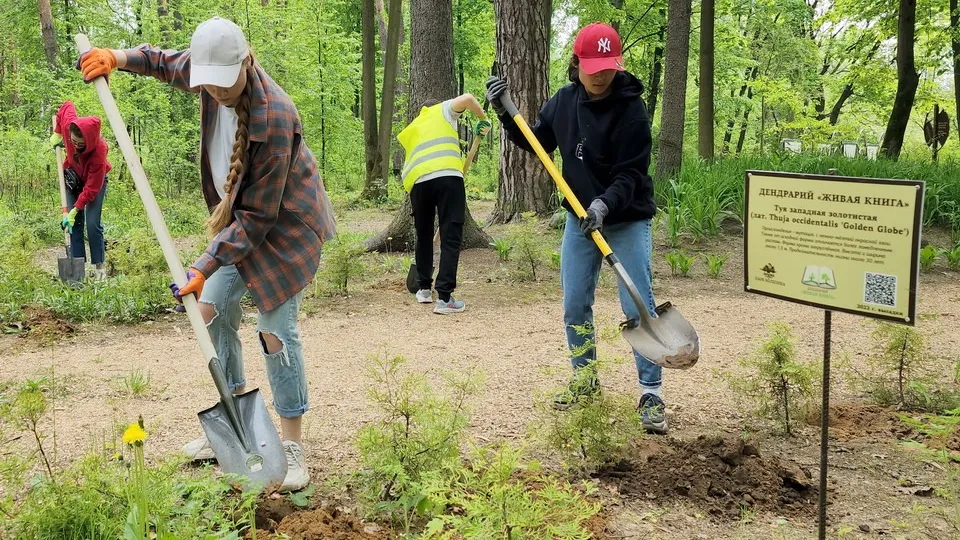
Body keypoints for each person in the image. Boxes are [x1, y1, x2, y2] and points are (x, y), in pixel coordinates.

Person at [78, 16, 337, 490]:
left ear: (245, 62)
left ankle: (293, 442)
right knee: (210, 308)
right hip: (241, 227)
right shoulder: (208, 74)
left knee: (274, 332)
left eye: (222, 83)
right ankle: (238, 419)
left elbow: (258, 219)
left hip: (285, 231)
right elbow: (161, 61)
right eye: (207, 83)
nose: (214, 92)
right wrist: (117, 57)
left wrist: (202, 263)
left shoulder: (275, 115)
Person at [486, 22, 667, 434]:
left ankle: (651, 391)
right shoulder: (564, 102)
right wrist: (505, 112)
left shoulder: (632, 108)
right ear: (577, 63)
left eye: (608, 66)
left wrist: (604, 204)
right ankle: (585, 382)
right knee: (574, 305)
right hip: (579, 220)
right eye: (593, 66)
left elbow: (631, 174)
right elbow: (537, 143)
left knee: (637, 304)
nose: (601, 74)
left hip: (625, 217)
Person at [399, 94, 490, 314]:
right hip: (447, 178)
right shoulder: (443, 110)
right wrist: (482, 118)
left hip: (418, 183)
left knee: (424, 235)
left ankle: (423, 289)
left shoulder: (415, 125)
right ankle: (445, 298)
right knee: (450, 235)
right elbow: (468, 98)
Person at [51, 101, 111, 281]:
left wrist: (76, 208)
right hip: (71, 179)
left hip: (93, 185)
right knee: (73, 225)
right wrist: (57, 133)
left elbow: (92, 189)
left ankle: (100, 269)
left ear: (89, 141)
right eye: (72, 141)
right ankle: (78, 271)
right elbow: (66, 106)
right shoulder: (71, 127)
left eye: (79, 143)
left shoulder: (99, 153)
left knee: (92, 224)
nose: (74, 145)